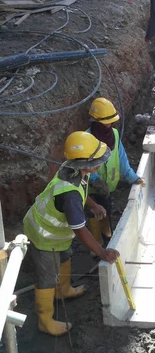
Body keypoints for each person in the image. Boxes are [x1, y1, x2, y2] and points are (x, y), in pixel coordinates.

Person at [23, 131, 120, 336]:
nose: (100, 164)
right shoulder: (69, 195)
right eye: (97, 161)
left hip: (57, 236)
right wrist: (101, 252)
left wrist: (92, 204)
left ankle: (63, 290)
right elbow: (80, 229)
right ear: (85, 163)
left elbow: (81, 192)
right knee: (47, 277)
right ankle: (45, 320)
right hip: (44, 236)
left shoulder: (72, 168)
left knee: (66, 256)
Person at [86, 97, 145, 248]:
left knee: (106, 212)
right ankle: (96, 247)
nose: (110, 124)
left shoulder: (114, 134)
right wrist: (95, 180)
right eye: (107, 121)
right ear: (96, 121)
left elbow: (121, 158)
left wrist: (132, 177)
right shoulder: (86, 139)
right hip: (92, 188)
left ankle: (108, 240)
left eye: (111, 121)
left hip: (108, 187)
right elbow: (83, 163)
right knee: (94, 214)